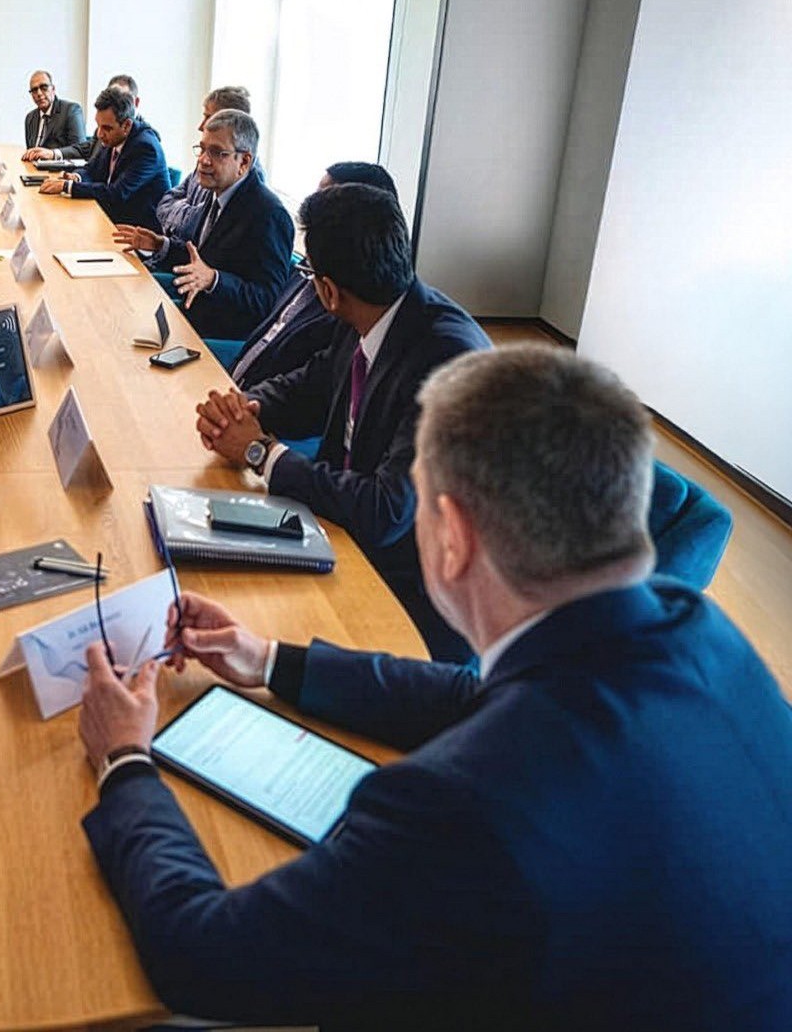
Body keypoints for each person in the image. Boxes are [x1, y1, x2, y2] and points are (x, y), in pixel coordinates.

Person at [78, 344, 792, 1031]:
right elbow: (475, 698)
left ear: (453, 536)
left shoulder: (455, 807)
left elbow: (204, 958)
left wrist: (124, 760)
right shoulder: (697, 629)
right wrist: (267, 659)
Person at [195, 182, 490, 661]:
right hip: (341, 531)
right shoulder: (372, 311)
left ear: (328, 290)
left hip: (415, 592)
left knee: (232, 621)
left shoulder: (446, 360)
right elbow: (311, 387)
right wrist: (245, 408)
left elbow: (386, 511)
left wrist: (258, 452)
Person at [110, 108, 293, 342]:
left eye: (217, 153)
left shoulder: (269, 214)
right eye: (203, 149)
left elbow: (267, 300)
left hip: (222, 336)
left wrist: (214, 279)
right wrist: (160, 245)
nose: (203, 160)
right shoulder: (217, 191)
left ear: (244, 161)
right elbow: (201, 260)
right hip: (195, 313)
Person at [226, 161, 400, 390]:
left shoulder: (350, 314)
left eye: (324, 201)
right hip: (236, 384)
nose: (314, 208)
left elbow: (306, 389)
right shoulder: (309, 267)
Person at [39, 86, 169, 231]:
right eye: (98, 126)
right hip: (110, 217)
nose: (99, 134)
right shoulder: (113, 138)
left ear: (126, 126)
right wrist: (76, 177)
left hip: (137, 232)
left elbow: (116, 193)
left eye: (107, 128)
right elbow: (91, 169)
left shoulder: (145, 148)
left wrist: (67, 187)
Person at [147, 84, 253, 241]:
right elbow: (165, 202)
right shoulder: (207, 159)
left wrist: (183, 208)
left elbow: (194, 227)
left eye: (209, 118)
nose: (201, 126)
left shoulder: (232, 174)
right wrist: (187, 209)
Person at [28, 73, 141, 163]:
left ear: (136, 102)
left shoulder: (142, 142)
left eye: (124, 99)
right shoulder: (101, 131)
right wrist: (75, 177)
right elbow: (89, 163)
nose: (100, 134)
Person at [19, 71, 86, 160]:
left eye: (44, 87)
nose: (39, 93)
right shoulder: (30, 118)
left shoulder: (71, 110)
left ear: (53, 89)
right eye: (34, 90)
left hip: (59, 167)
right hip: (33, 167)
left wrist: (53, 154)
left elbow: (80, 150)